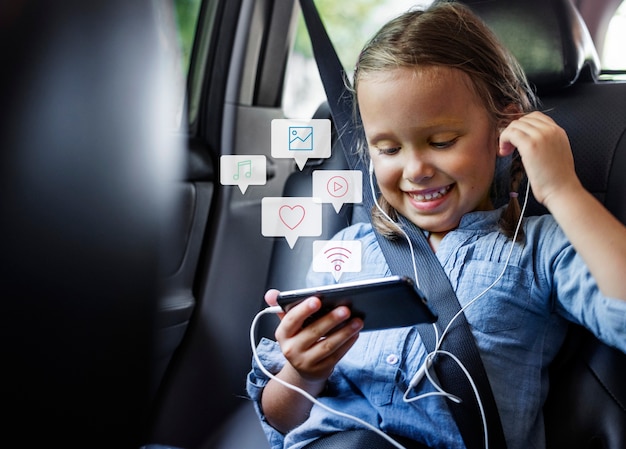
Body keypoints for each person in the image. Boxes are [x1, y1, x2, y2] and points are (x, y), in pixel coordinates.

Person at [247, 2, 626, 449]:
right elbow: (280, 418)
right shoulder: (345, 252)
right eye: (388, 150)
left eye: (442, 141)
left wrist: (563, 190)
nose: (416, 169)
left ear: (505, 125)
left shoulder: (535, 248)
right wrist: (303, 372)